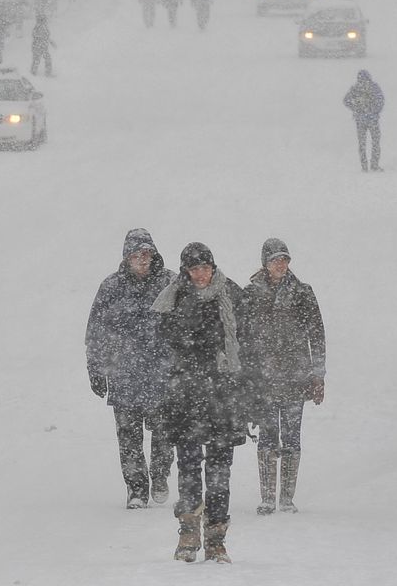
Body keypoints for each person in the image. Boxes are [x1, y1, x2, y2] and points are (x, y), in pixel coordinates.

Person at [154, 242, 248, 564]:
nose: (201, 274)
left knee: (220, 471)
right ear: (185, 270)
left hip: (222, 396)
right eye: (194, 268)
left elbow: (247, 344)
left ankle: (217, 539)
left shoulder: (232, 294)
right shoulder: (173, 298)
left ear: (213, 266)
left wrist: (245, 390)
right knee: (190, 468)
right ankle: (188, 533)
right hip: (186, 396)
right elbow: (162, 346)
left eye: (205, 267)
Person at [86, 229, 175, 509]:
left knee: (164, 432)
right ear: (126, 257)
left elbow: (187, 325)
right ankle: (136, 488)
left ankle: (160, 475)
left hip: (162, 373)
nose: (142, 259)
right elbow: (96, 331)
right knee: (129, 437)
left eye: (146, 253)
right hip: (124, 374)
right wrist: (96, 369)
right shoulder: (111, 287)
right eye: (136, 254)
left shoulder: (171, 282)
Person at [241, 238, 325, 514]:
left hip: (295, 376)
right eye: (276, 259)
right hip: (263, 378)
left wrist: (318, 375)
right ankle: (267, 497)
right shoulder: (250, 293)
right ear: (265, 262)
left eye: (285, 259)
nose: (281, 264)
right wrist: (245, 376)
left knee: (291, 436)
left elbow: (317, 334)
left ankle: (287, 498)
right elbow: (243, 338)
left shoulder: (302, 292)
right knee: (267, 436)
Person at [343, 70, 385, 172]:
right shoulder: (374, 87)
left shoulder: (356, 88)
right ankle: (374, 165)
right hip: (372, 120)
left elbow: (346, 100)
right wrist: (374, 111)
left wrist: (356, 108)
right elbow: (381, 100)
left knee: (362, 144)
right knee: (375, 142)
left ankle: (364, 166)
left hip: (360, 120)